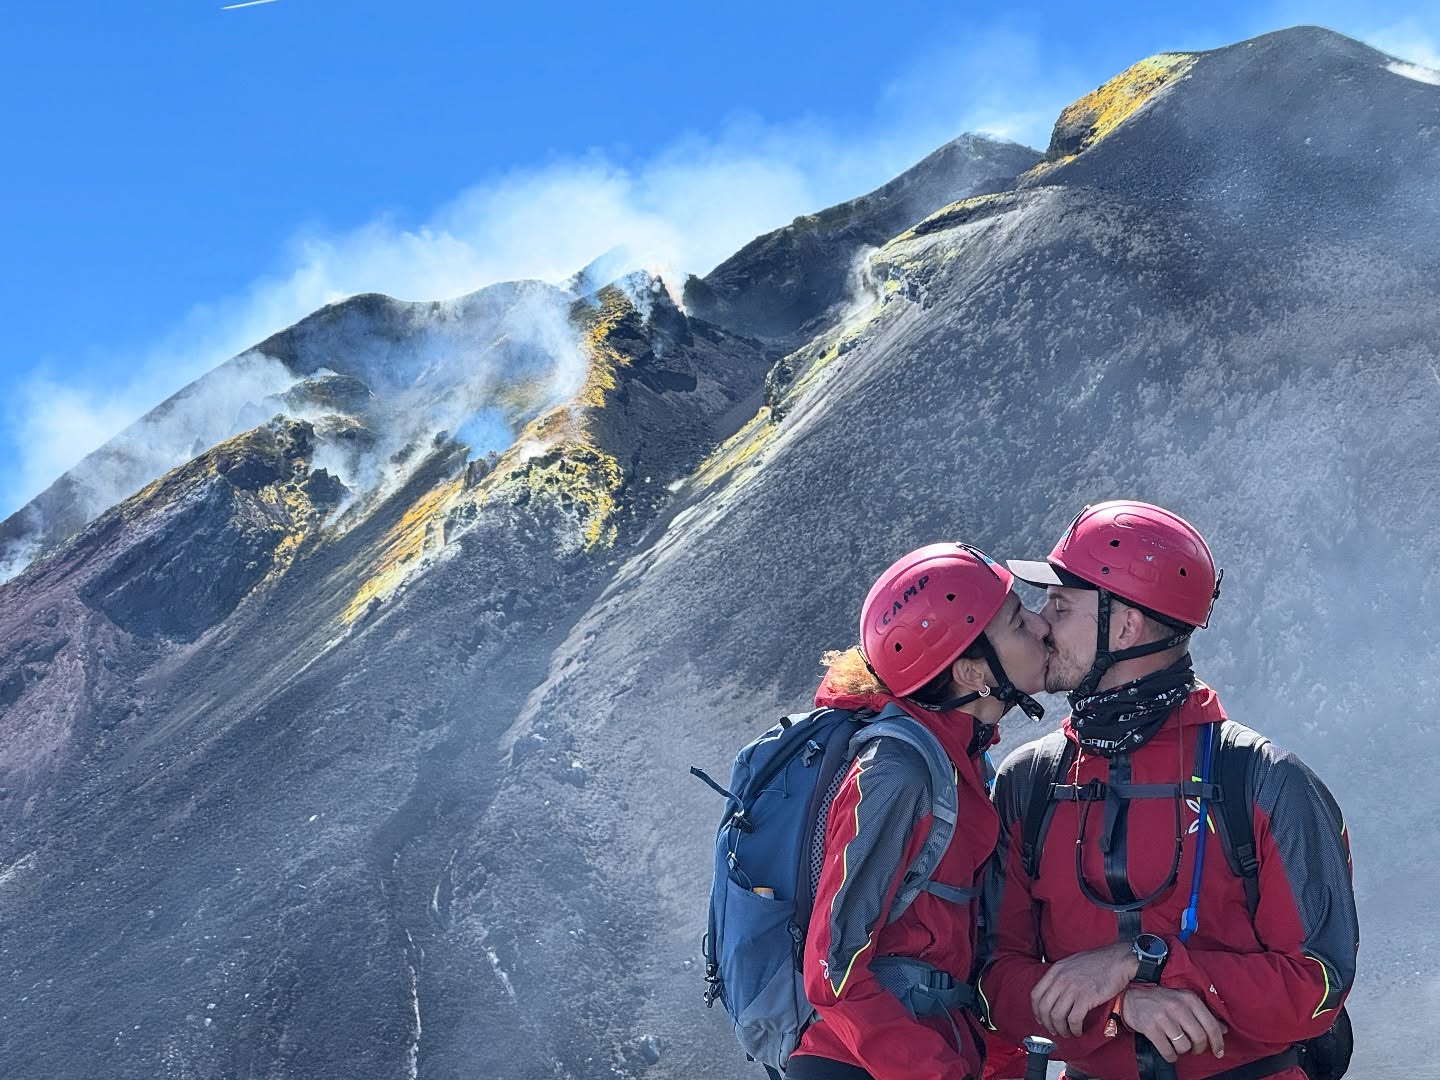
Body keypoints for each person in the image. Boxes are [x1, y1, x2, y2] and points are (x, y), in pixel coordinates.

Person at [978, 501, 1358, 1080]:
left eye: (1061, 604)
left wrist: (1141, 962)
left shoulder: (1267, 782)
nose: (1040, 622)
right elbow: (989, 981)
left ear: (1126, 625)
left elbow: (1319, 985)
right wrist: (1121, 1003)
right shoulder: (1026, 783)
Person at [788, 542, 1050, 1080]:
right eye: (1019, 623)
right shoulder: (897, 773)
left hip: (921, 1050)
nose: (1042, 626)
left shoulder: (963, 761)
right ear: (974, 673)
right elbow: (831, 970)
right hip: (865, 1064)